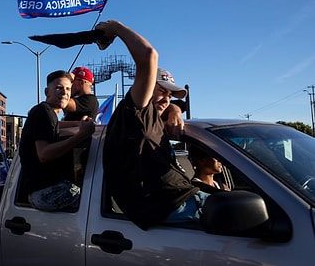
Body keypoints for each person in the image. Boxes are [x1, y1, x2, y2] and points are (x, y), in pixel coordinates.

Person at [99, 20, 208, 230]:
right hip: (171, 206)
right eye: (161, 91)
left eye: (170, 94)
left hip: (185, 198)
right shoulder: (135, 112)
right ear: (146, 87)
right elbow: (149, 56)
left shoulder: (153, 117)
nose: (166, 98)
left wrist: (174, 109)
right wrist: (116, 28)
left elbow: (169, 105)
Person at [18, 70, 96, 211]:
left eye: (68, 89)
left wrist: (79, 125)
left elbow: (55, 126)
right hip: (45, 192)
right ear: (47, 92)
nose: (64, 93)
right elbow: (44, 154)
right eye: (59, 88)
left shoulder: (47, 114)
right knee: (95, 201)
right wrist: (80, 136)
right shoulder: (44, 112)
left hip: (42, 191)